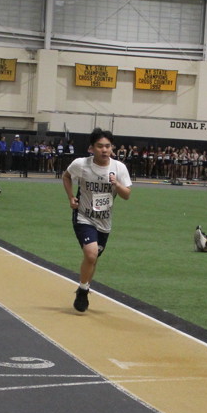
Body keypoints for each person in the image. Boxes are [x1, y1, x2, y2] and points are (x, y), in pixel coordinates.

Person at [62, 127, 132, 312]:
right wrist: (71, 197)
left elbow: (127, 195)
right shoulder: (81, 164)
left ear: (112, 148)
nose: (104, 150)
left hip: (104, 221)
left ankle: (84, 288)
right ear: (91, 148)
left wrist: (116, 184)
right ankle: (83, 289)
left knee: (93, 259)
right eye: (100, 146)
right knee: (91, 254)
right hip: (84, 216)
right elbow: (66, 176)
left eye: (108, 146)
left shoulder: (119, 168)